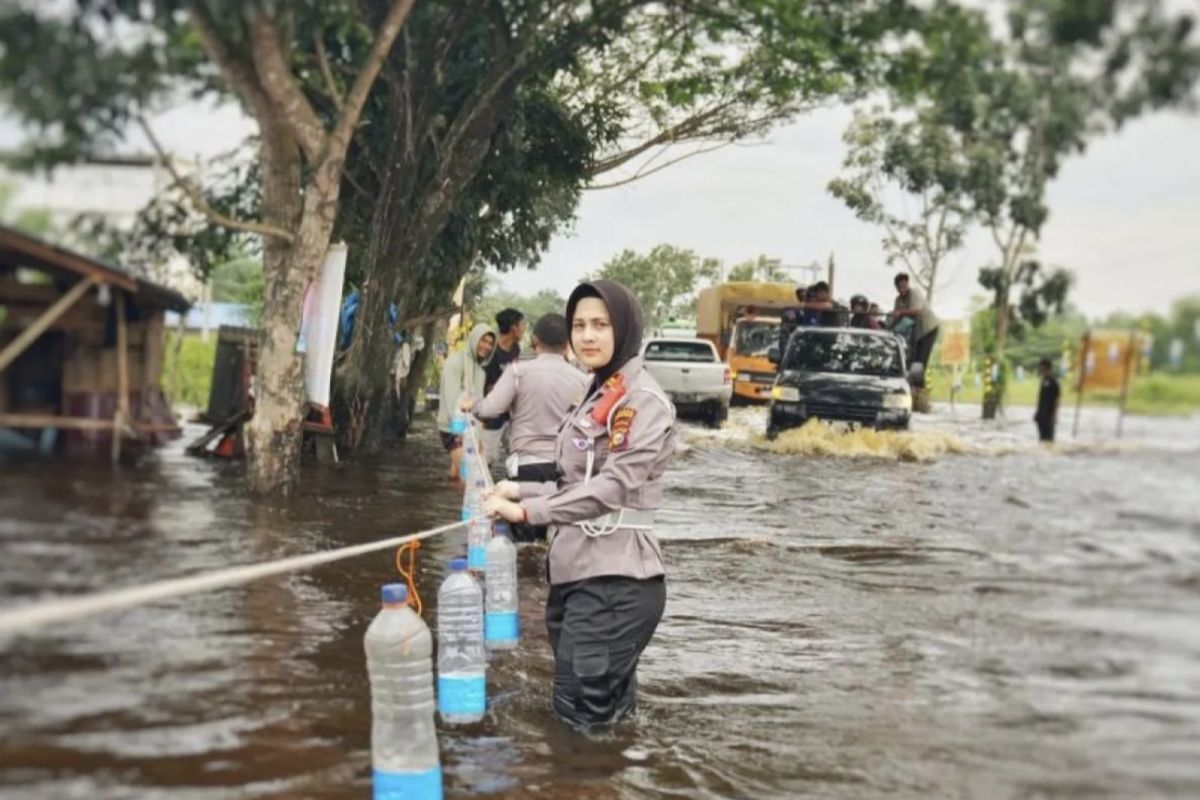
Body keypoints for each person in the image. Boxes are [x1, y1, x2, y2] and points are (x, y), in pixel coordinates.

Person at [483, 280, 676, 731]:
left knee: (578, 719)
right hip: (577, 574)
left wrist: (528, 512)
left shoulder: (641, 400)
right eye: (580, 325)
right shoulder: (594, 392)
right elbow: (573, 480)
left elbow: (613, 487)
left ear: (625, 328)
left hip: (616, 582)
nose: (588, 336)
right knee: (600, 721)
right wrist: (517, 491)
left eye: (601, 325)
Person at [466, 313, 588, 543]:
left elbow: (490, 410)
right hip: (565, 469)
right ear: (568, 344)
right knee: (557, 542)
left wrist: (474, 407)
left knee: (525, 546)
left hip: (525, 466)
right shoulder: (582, 380)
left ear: (535, 341)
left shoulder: (518, 371)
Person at [437, 322, 497, 485]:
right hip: (452, 428)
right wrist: (465, 435)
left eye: (491, 343)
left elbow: (478, 406)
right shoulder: (455, 362)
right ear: (474, 339)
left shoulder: (481, 372)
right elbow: (451, 402)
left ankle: (450, 508)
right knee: (473, 481)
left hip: (472, 430)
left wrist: (478, 437)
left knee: (457, 479)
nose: (486, 346)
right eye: (483, 341)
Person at [890, 272, 939, 385]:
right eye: (900, 286)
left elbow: (917, 311)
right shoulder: (898, 300)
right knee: (913, 359)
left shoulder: (914, 293)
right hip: (917, 332)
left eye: (904, 285)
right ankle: (914, 385)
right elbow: (897, 318)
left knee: (920, 361)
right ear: (896, 288)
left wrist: (901, 312)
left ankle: (919, 389)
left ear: (907, 284)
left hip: (928, 329)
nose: (902, 288)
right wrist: (889, 329)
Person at [1034, 357, 1060, 443]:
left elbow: (1057, 400)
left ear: (1046, 368)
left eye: (1041, 367)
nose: (1040, 369)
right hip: (1041, 416)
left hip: (1049, 416)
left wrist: (1054, 416)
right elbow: (1041, 399)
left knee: (1048, 440)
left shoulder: (1053, 382)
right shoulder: (1043, 380)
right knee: (1042, 439)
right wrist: (1037, 413)